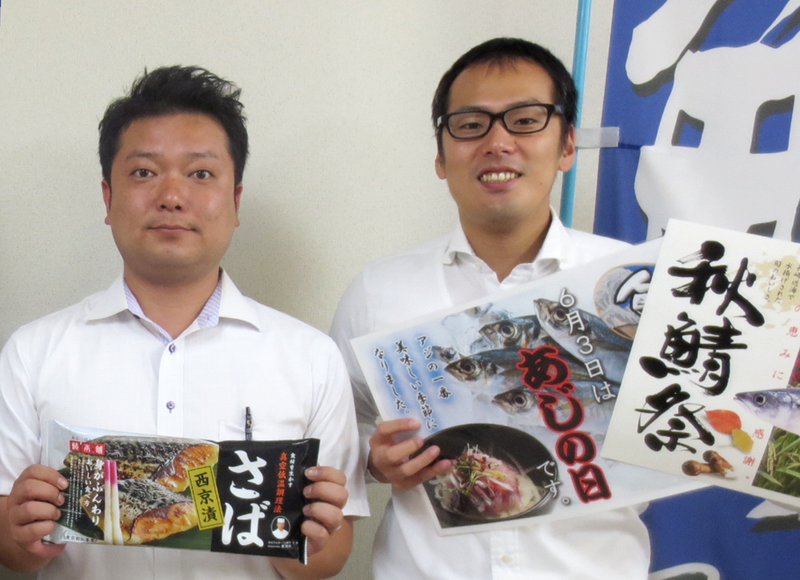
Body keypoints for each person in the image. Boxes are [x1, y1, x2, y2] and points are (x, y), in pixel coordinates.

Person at [0, 66, 368, 580]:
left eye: (200, 174)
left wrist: (311, 539)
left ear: (235, 201)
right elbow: (12, 550)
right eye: (144, 172)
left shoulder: (310, 358)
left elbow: (329, 558)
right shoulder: (32, 352)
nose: (172, 196)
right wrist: (21, 533)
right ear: (108, 198)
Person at [330, 38, 649, 579]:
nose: (498, 142)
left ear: (568, 145)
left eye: (525, 120)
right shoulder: (379, 291)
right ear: (440, 155)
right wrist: (374, 461)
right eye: (471, 125)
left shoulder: (631, 285)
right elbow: (332, 436)